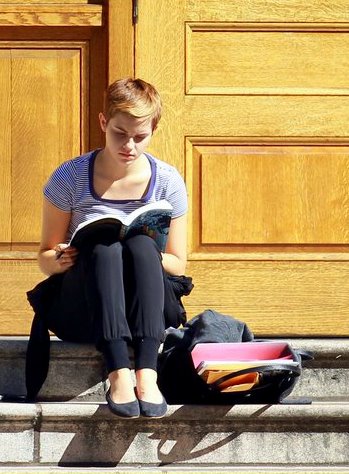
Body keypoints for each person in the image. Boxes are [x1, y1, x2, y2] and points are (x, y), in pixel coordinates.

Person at [36, 77, 188, 418]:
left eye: (140, 136)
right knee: (105, 246)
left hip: (146, 309)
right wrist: (60, 259)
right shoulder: (70, 177)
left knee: (137, 245)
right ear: (104, 123)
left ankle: (147, 372)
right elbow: (45, 257)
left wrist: (143, 250)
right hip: (85, 308)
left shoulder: (166, 181)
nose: (129, 146)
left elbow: (178, 264)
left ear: (153, 130)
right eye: (120, 133)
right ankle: (118, 370)